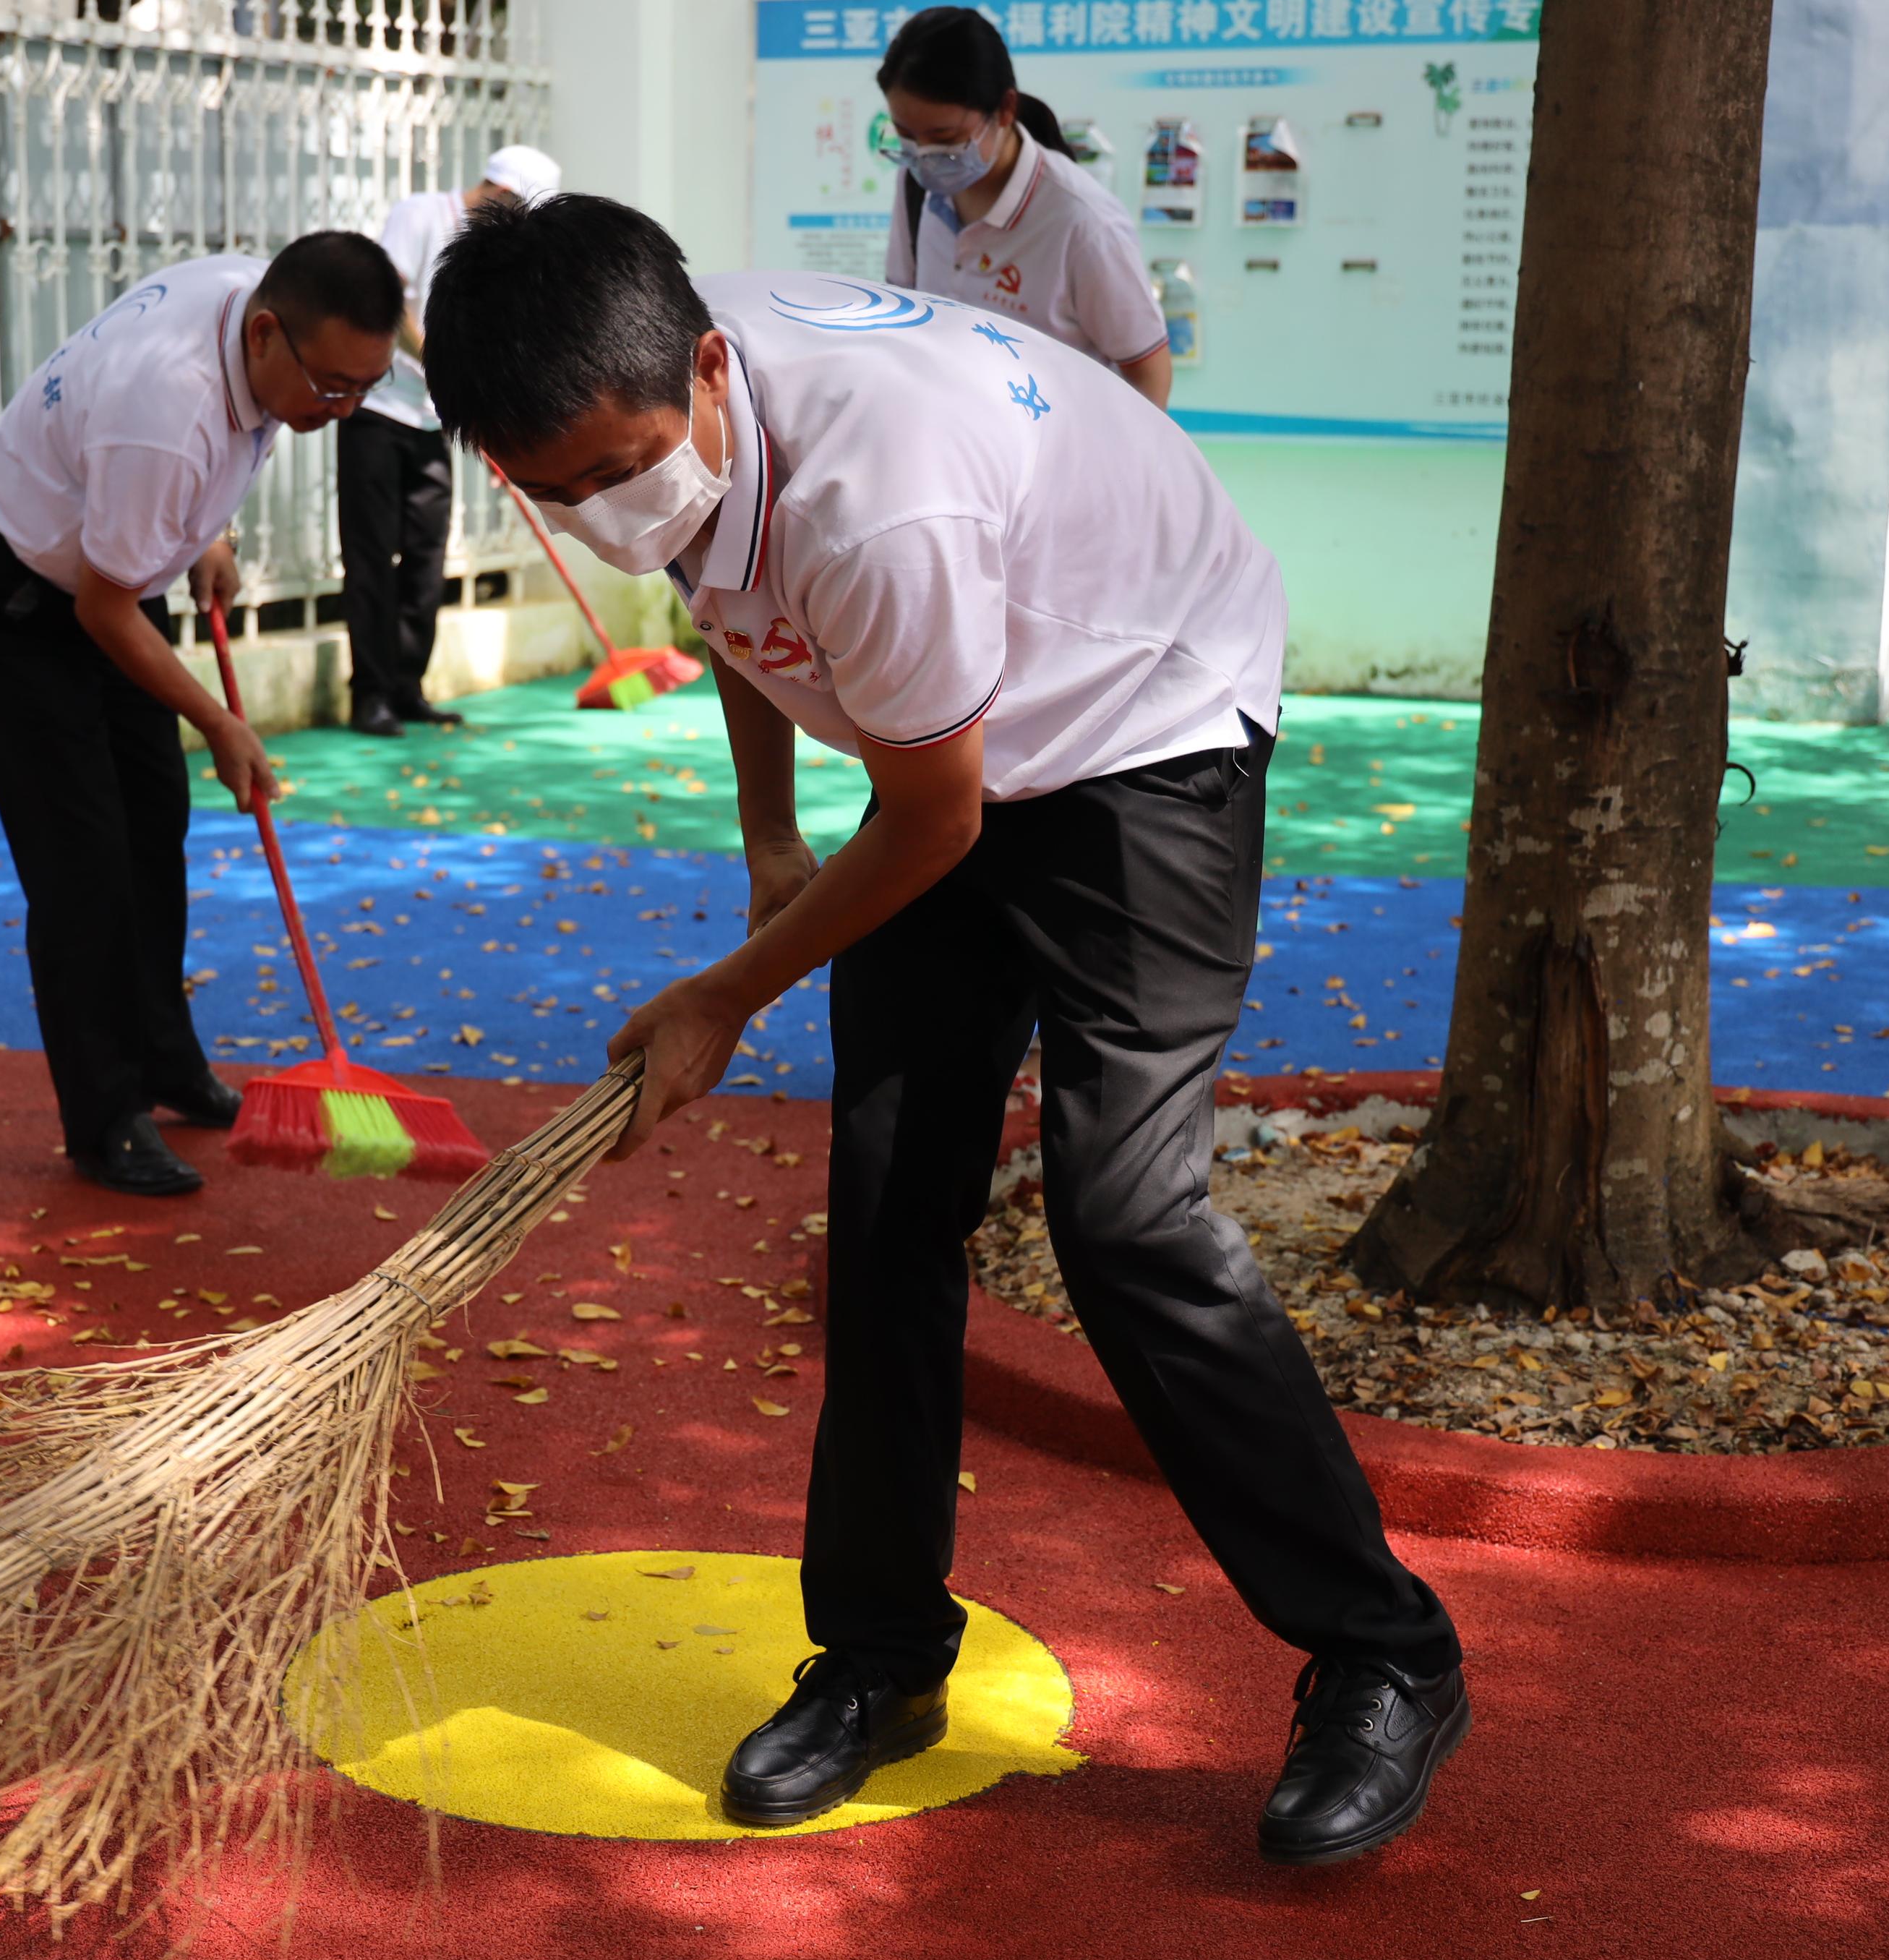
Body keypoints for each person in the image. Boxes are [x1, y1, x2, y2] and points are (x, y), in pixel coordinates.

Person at [426, 197, 1465, 1864]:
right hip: (958, 733)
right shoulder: (649, 395)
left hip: (1141, 721)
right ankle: (879, 1657)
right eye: (552, 496)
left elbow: (929, 825)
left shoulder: (872, 486)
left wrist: (724, 993)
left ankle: (1380, 1654)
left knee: (1122, 1218)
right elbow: (737, 610)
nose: (602, 517)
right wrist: (769, 845)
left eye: (615, 472)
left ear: (706, 368)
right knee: (889, 1190)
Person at [0, 232, 400, 1197]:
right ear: (268, 337)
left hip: (108, 569)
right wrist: (220, 724)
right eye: (333, 390)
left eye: (369, 386)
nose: (346, 410)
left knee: (156, 818)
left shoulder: (250, 307)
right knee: (84, 857)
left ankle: (163, 1059)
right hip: (20, 590)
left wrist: (207, 531)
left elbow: (177, 498)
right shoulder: (168, 414)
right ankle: (105, 1117)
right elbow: (101, 609)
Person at [340, 143, 563, 737]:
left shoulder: (494, 253)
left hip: (434, 421)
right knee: (370, 558)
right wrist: (439, 362)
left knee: (426, 560)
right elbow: (387, 304)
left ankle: (407, 687)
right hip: (378, 411)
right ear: (502, 192)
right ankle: (369, 697)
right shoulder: (419, 214)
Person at [878, 6, 1173, 408]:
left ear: (1005, 110)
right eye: (906, 135)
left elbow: (1148, 372)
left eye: (945, 138)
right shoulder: (915, 187)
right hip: (954, 439)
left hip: (1057, 451)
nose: (925, 156)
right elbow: (904, 310)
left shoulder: (1083, 224)